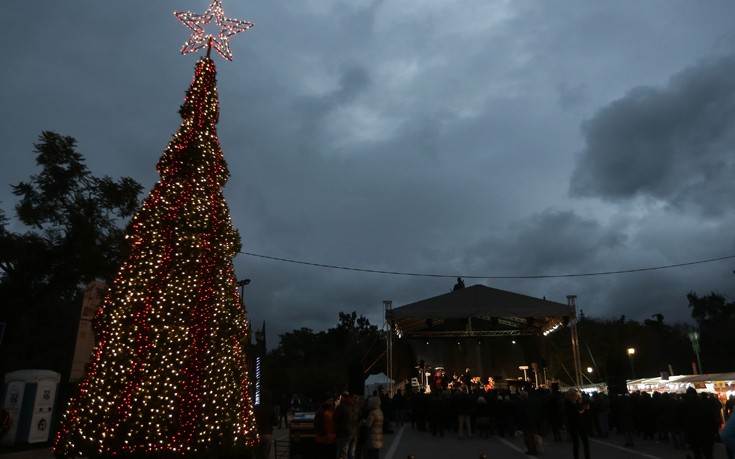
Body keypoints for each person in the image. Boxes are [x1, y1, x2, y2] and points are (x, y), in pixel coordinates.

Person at [565, 388, 591, 459]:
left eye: (577, 395)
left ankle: (587, 457)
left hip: (582, 424)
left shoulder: (579, 402)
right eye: (574, 395)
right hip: (573, 425)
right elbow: (572, 414)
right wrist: (581, 410)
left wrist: (586, 409)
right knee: (576, 444)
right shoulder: (568, 404)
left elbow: (585, 414)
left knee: (586, 443)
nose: (576, 397)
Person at [334, 392, 360, 459]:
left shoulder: (341, 407)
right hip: (354, 431)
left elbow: (335, 418)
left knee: (343, 453)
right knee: (352, 453)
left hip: (345, 432)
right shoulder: (355, 406)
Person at [253, 391, 279, 459]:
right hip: (267, 432)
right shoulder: (270, 408)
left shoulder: (255, 408)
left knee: (257, 453)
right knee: (265, 453)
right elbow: (276, 422)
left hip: (257, 432)